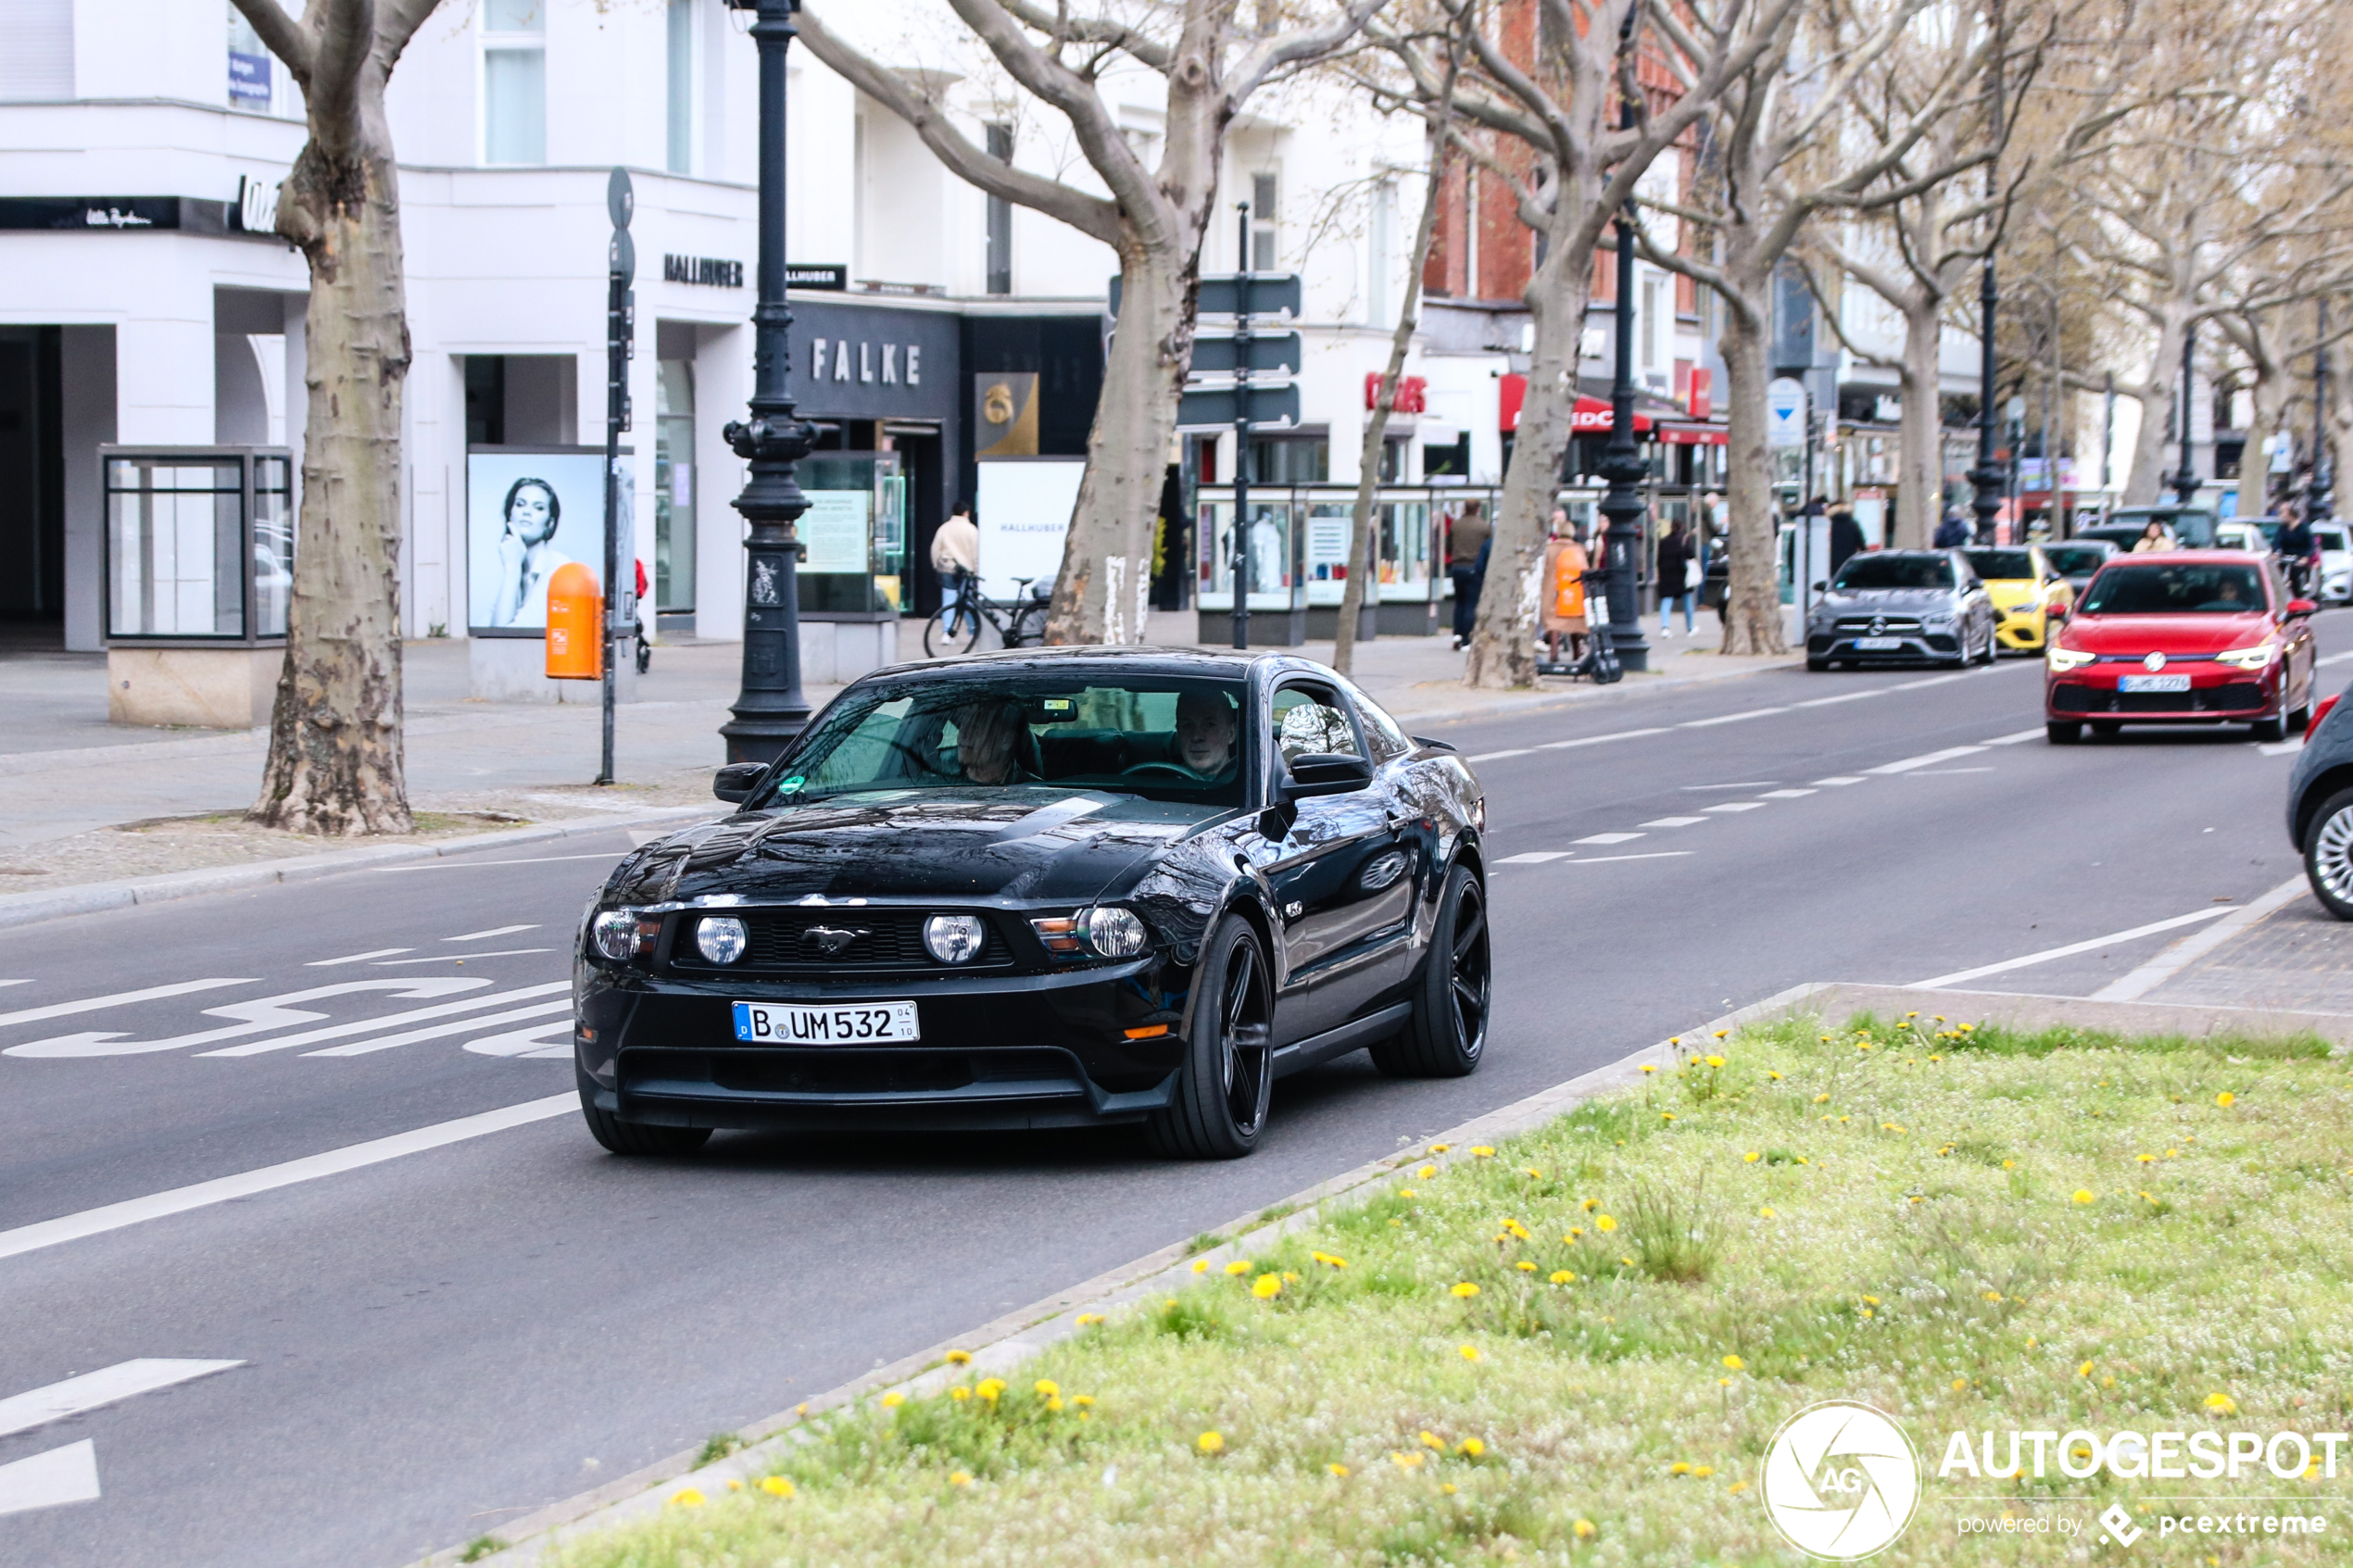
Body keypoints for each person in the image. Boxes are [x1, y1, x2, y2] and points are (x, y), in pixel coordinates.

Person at [490, 477, 568, 628]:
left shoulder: (559, 571)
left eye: (538, 508)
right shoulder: (516, 567)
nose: (526, 512)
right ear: (509, 515)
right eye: (520, 504)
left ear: (550, 523)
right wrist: (513, 569)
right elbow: (492, 631)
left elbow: (505, 636)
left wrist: (512, 569)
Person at [952, 697, 1026, 785]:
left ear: (1007, 740)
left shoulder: (1032, 790)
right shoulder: (939, 778)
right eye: (962, 726)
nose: (962, 734)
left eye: (975, 728)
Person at [1448, 502, 1491, 648]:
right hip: (1474, 568)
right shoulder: (1484, 526)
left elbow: (1449, 545)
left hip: (1457, 567)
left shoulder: (1455, 525)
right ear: (1478, 509)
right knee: (1471, 603)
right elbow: (1488, 547)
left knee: (1459, 601)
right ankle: (1466, 638)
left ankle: (1457, 634)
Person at [1173, 689, 1240, 780]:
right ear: (1179, 732)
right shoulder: (1164, 783)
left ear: (1231, 733)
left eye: (1209, 725)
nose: (1196, 737)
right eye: (1187, 725)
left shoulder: (1249, 784)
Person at [931, 500, 981, 608]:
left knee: (949, 599)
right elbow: (975, 553)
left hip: (948, 567)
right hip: (967, 569)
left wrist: (936, 565)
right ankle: (972, 624)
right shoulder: (972, 530)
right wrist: (976, 570)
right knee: (967, 599)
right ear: (966, 513)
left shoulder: (944, 528)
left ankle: (948, 624)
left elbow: (935, 549)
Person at [1655, 519, 1695, 636]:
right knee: (1687, 600)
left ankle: (1665, 627)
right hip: (1682, 574)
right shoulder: (1684, 539)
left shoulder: (1663, 541)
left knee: (1666, 600)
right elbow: (1690, 555)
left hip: (1667, 574)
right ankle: (1690, 627)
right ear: (1682, 527)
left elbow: (1659, 559)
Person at [2276, 500, 2317, 597]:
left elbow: (2311, 545)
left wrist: (2306, 557)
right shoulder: (2282, 528)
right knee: (2279, 576)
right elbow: (2277, 542)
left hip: (2299, 560)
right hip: (2286, 559)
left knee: (2297, 579)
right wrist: (2276, 553)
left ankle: (2300, 594)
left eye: (2283, 512)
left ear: (2291, 513)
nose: (2281, 515)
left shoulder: (2304, 528)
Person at [1829, 508, 1865, 573]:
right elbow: (1860, 541)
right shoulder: (1853, 524)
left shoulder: (1831, 525)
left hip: (1833, 559)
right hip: (1849, 558)